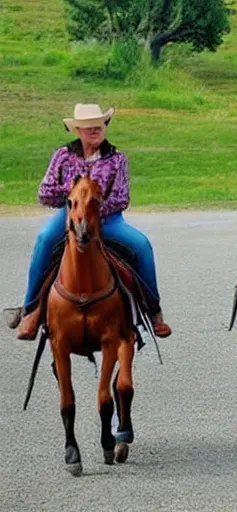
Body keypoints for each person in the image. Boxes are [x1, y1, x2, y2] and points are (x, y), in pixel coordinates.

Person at [3, 103, 171, 339]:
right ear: (78, 130)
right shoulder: (63, 156)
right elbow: (45, 192)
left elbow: (122, 197)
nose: (95, 130)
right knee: (44, 239)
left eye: (99, 126)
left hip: (108, 219)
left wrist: (94, 208)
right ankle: (31, 309)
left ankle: (154, 311)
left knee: (142, 245)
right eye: (89, 127)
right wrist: (72, 194)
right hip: (69, 216)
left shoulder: (117, 159)